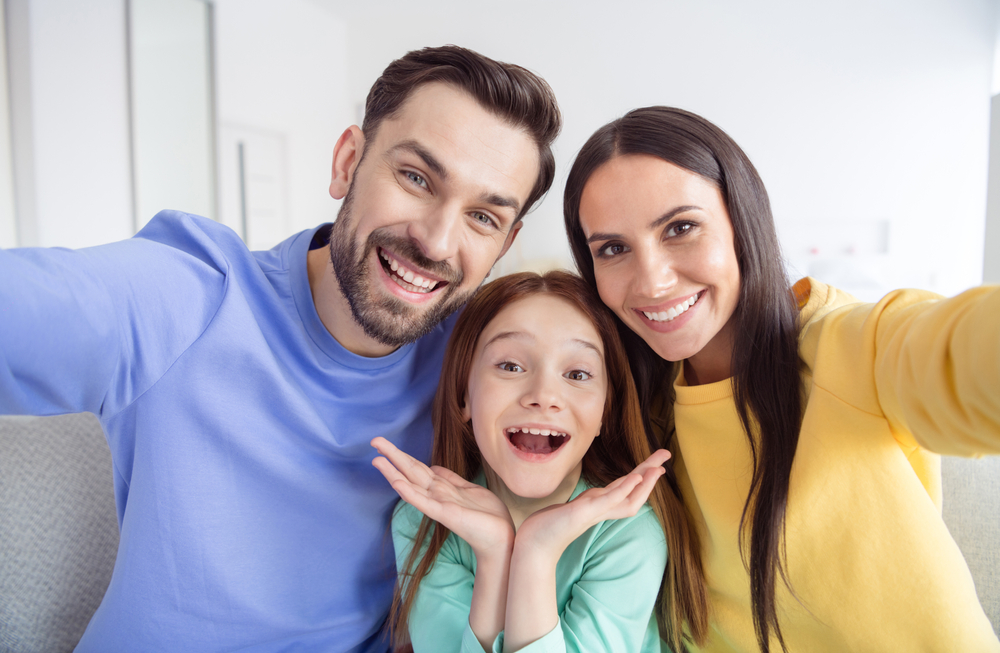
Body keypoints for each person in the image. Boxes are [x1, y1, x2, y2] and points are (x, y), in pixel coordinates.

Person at [0, 45, 560, 652]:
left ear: (505, 243)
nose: (436, 239)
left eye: (483, 217)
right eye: (416, 178)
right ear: (349, 161)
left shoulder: (485, 368)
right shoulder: (189, 298)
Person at [562, 106, 1000, 653]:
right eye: (613, 249)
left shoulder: (849, 347)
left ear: (743, 222)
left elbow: (959, 351)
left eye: (681, 228)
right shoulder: (631, 405)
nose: (651, 281)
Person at [370, 270, 691, 653]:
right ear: (464, 395)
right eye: (510, 366)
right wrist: (494, 553)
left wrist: (537, 552)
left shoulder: (629, 530)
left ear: (606, 411)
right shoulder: (423, 521)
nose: (544, 395)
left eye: (577, 373)